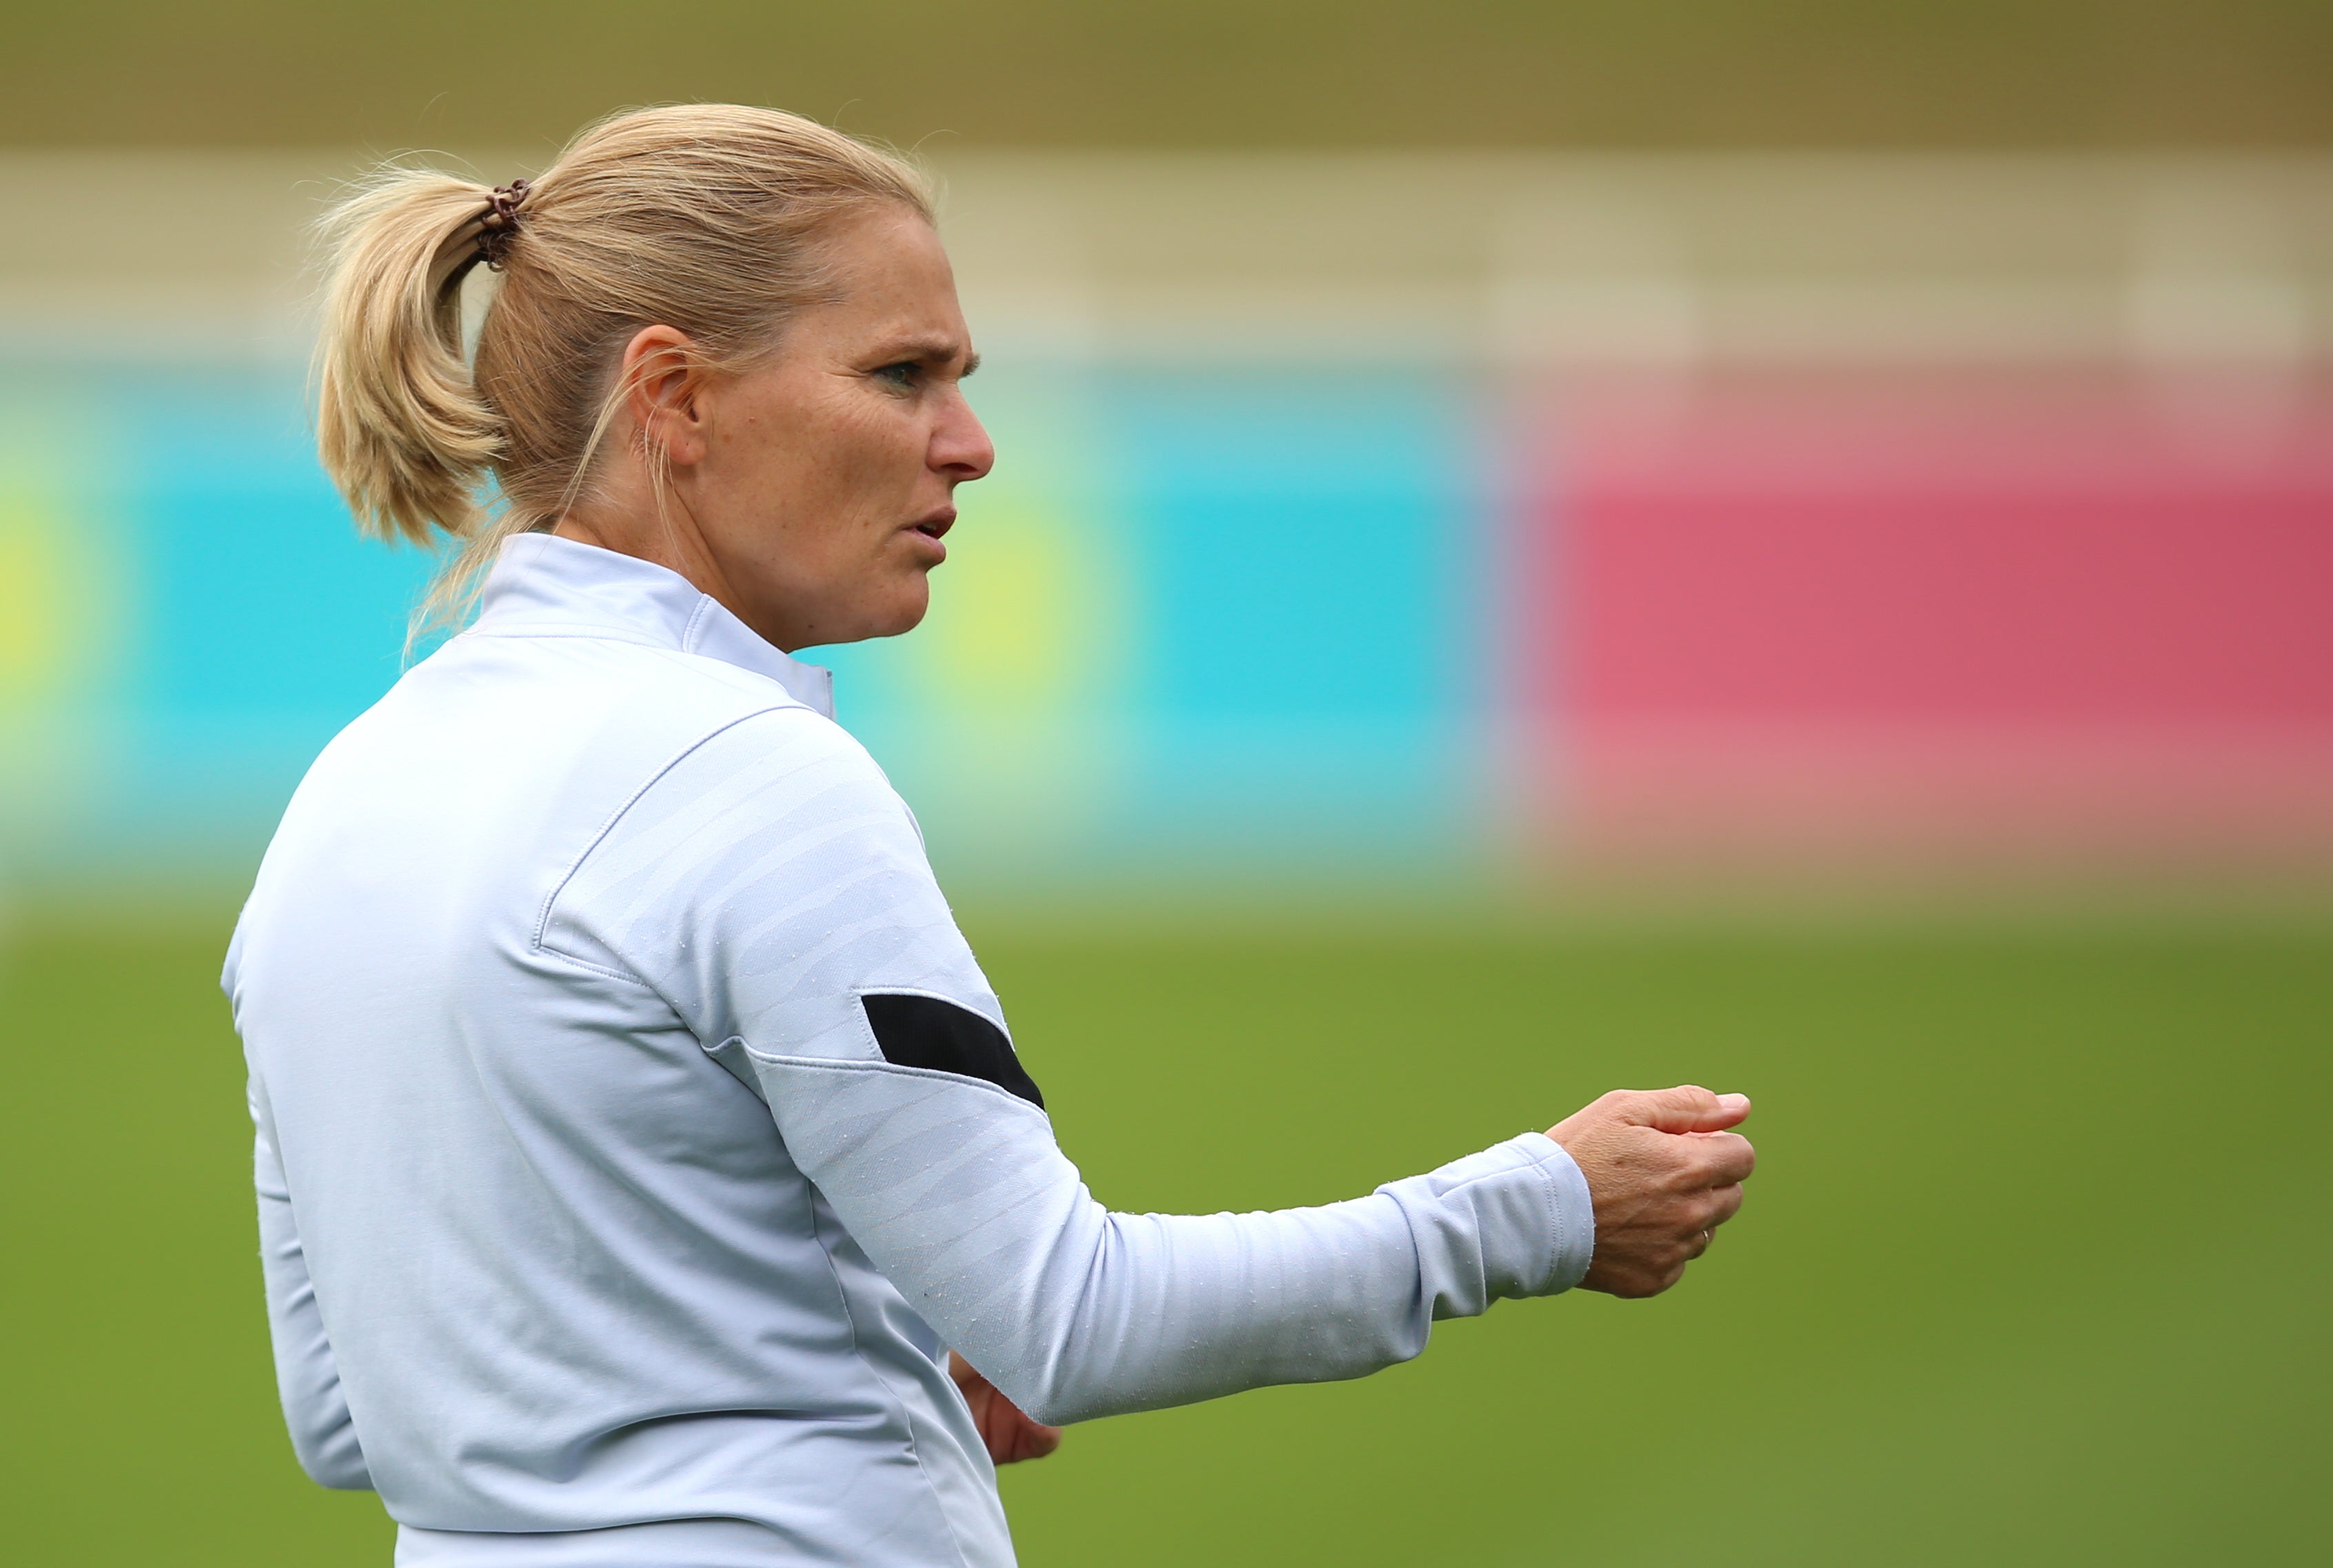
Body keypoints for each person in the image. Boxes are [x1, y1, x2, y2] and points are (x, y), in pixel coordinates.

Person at [224, 104, 1756, 1568]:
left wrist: (815, 1355)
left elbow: (349, 1415)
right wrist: (1540, 1207)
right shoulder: (748, 777)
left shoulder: (341, 803)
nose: (969, 442)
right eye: (902, 374)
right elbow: (1068, 1316)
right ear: (675, 396)